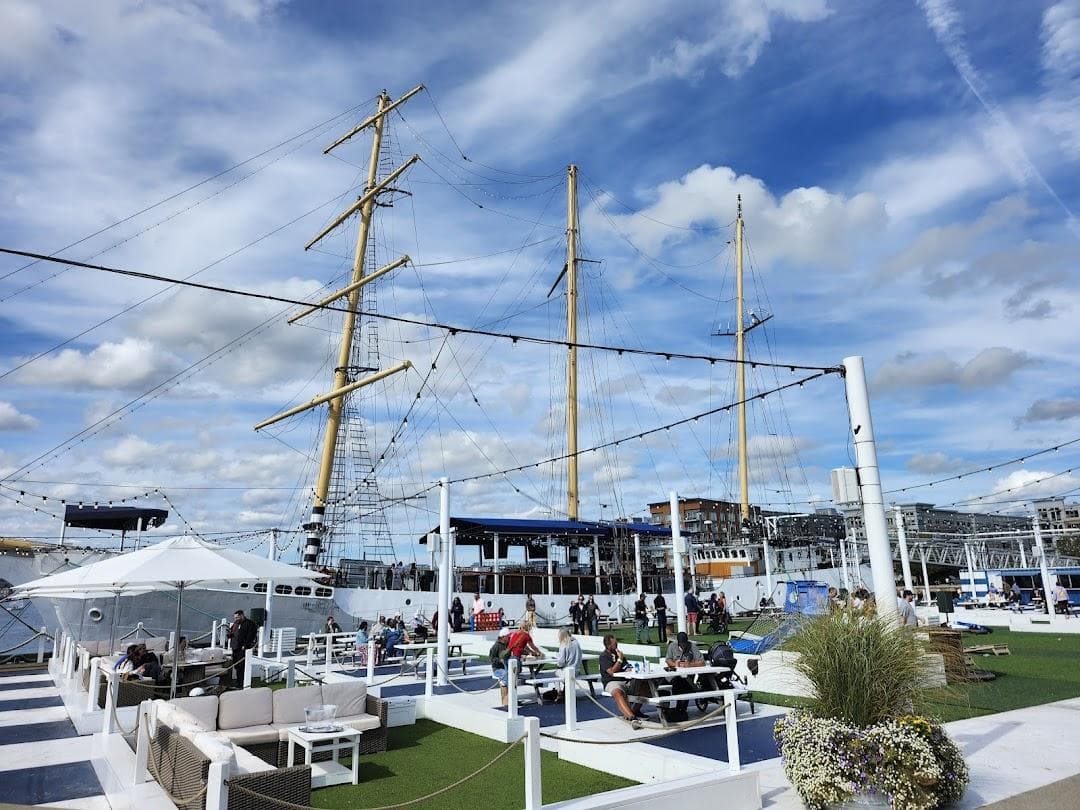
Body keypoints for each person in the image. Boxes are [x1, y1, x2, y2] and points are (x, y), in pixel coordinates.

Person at [598, 634, 645, 729]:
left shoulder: (619, 654)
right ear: (608, 645)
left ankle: (633, 710)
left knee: (645, 686)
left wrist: (629, 668)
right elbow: (611, 672)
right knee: (617, 692)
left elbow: (627, 666)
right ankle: (632, 718)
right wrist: (619, 659)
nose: (617, 645)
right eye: (614, 644)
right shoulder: (604, 657)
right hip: (612, 682)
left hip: (625, 680)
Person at [665, 631, 705, 721]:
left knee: (685, 684)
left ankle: (682, 709)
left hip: (688, 675)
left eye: (685, 643)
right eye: (681, 643)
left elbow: (702, 662)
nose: (683, 645)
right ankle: (673, 709)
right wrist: (675, 664)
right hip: (674, 675)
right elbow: (668, 660)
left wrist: (690, 665)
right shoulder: (672, 646)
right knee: (678, 683)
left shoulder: (692, 647)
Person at [228, 609, 257, 687]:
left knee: (241, 665)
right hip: (235, 647)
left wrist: (246, 645)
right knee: (236, 665)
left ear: (242, 615)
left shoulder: (250, 624)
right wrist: (229, 634)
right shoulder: (235, 624)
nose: (235, 619)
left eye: (237, 617)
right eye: (235, 617)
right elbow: (232, 632)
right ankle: (238, 681)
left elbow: (251, 635)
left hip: (243, 648)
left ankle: (241, 682)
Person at [554, 626, 584, 697]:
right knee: (562, 675)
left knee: (556, 673)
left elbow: (561, 662)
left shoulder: (564, 644)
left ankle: (558, 692)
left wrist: (558, 663)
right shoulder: (576, 642)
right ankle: (565, 692)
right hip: (576, 670)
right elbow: (580, 655)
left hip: (567, 672)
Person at [489, 627, 513, 706]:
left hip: (506, 667)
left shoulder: (507, 645)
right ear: (503, 637)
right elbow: (492, 659)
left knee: (513, 676)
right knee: (507, 678)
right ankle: (506, 701)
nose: (509, 638)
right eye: (508, 636)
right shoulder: (496, 646)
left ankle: (510, 698)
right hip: (497, 669)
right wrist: (499, 660)